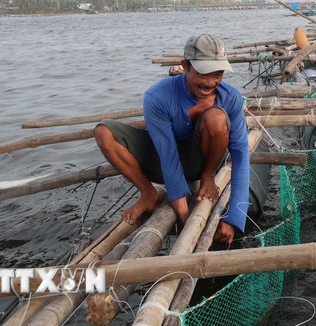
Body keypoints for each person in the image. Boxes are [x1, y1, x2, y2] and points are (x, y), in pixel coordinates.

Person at [94, 34, 250, 243]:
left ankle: (207, 176)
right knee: (104, 131)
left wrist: (235, 218)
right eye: (204, 73)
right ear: (186, 65)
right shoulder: (158, 96)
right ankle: (148, 194)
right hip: (164, 159)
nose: (211, 82)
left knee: (216, 117)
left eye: (218, 73)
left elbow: (240, 155)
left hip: (204, 160)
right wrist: (186, 223)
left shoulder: (230, 97)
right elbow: (168, 156)